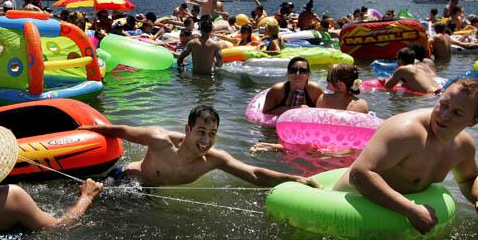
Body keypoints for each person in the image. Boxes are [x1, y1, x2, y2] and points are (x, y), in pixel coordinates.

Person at [333, 78, 478, 234]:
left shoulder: (463, 147)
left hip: (394, 215)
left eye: (457, 113)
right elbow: (359, 174)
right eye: (443, 104)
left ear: (474, 121)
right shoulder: (406, 132)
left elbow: (469, 178)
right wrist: (410, 210)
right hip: (350, 204)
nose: (444, 115)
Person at [81, 105, 321, 188]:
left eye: (212, 134)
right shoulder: (159, 140)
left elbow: (254, 174)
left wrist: (294, 179)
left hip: (149, 193)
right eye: (201, 132)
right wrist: (86, 131)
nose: (206, 141)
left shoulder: (214, 160)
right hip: (124, 181)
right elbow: (119, 131)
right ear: (188, 130)